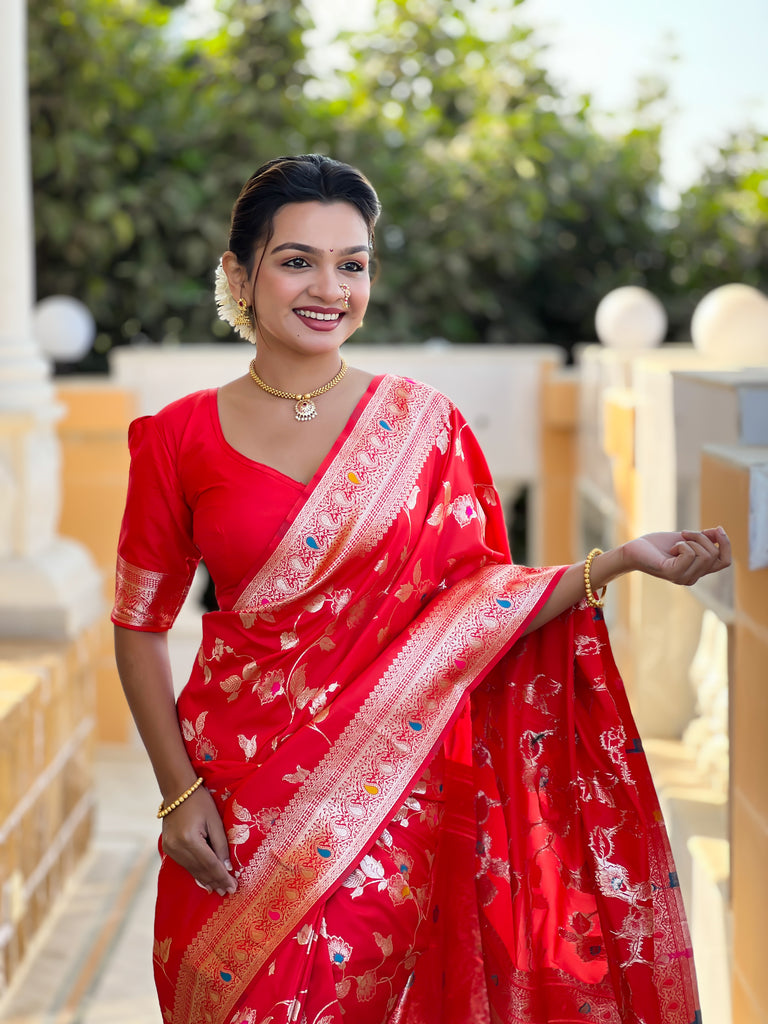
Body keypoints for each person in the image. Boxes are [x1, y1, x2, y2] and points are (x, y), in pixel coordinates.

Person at [112, 154, 730, 1024]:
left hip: (386, 811)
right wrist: (178, 793)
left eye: (352, 264)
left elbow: (478, 604)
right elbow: (139, 625)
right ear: (238, 275)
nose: (330, 287)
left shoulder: (424, 427)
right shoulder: (175, 440)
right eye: (297, 261)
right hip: (232, 806)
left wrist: (616, 561)